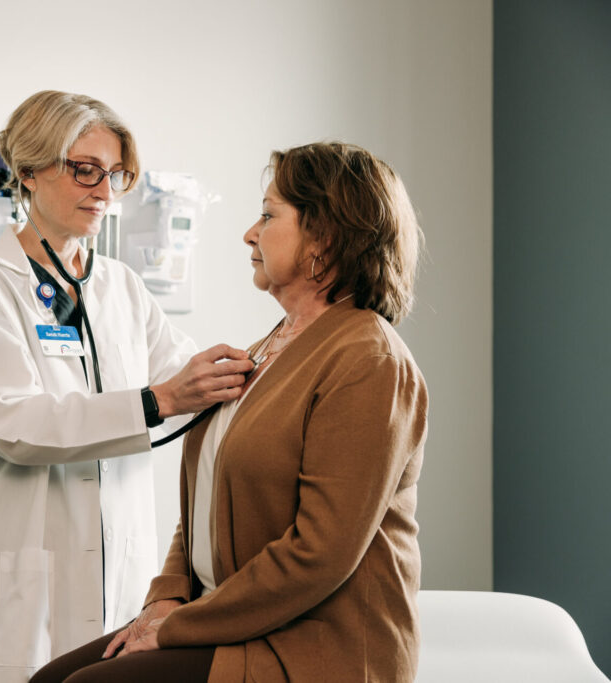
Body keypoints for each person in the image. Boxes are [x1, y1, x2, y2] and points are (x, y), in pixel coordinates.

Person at [31, 141, 429, 683]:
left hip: (312, 643)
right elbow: (204, 501)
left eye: (269, 214)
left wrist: (180, 626)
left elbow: (318, 555)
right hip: (228, 618)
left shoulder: (368, 360)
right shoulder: (269, 347)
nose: (250, 232)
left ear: (325, 237)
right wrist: (167, 598)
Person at [0, 90, 253, 683]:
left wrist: (261, 369)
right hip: (25, 574)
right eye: (84, 170)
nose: (104, 192)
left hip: (123, 570)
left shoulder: (122, 287)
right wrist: (158, 401)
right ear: (28, 171)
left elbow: (191, 379)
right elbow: (16, 426)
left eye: (116, 174)